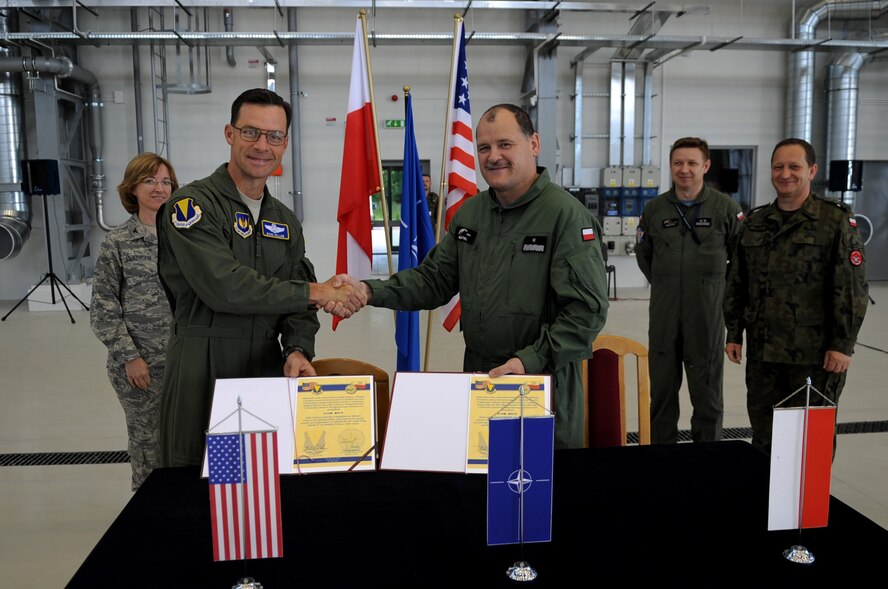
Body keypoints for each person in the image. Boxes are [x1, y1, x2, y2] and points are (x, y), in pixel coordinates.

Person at [357, 104, 609, 449]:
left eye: (505, 144)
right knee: (481, 473)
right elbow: (433, 280)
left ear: (534, 144)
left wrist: (529, 361)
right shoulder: (472, 213)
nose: (493, 156)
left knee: (534, 479)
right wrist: (368, 291)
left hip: (542, 383)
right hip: (480, 380)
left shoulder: (566, 216)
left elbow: (587, 312)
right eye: (484, 147)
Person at [156, 88, 366, 467]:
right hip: (203, 369)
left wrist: (297, 349)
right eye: (251, 132)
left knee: (259, 479)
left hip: (265, 371)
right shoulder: (192, 206)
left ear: (285, 144)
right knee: (197, 480)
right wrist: (316, 292)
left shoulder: (284, 220)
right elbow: (225, 287)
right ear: (229, 134)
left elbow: (299, 305)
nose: (262, 146)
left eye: (274, 136)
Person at [724, 138, 869, 455]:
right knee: (765, 437)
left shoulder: (835, 222)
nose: (785, 174)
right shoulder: (755, 223)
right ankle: (765, 488)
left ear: (812, 171)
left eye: (794, 166)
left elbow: (851, 287)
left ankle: (809, 493)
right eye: (778, 167)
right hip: (763, 354)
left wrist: (842, 344)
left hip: (814, 357)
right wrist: (734, 332)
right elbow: (737, 281)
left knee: (811, 441)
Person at [635, 137, 743, 444]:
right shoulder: (655, 210)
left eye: (692, 163)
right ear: (671, 166)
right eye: (678, 163)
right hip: (664, 317)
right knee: (662, 397)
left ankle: (706, 462)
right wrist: (667, 283)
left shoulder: (726, 209)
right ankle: (662, 461)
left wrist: (713, 290)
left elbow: (741, 262)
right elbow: (644, 255)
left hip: (706, 317)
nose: (685, 169)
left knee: (708, 398)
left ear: (705, 166)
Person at [90, 153, 179, 489]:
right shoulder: (118, 242)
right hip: (142, 368)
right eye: (150, 180)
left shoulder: (187, 238)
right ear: (132, 188)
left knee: (186, 444)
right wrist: (131, 358)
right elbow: (103, 307)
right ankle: (149, 511)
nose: (160, 188)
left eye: (166, 181)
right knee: (148, 447)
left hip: (183, 362)